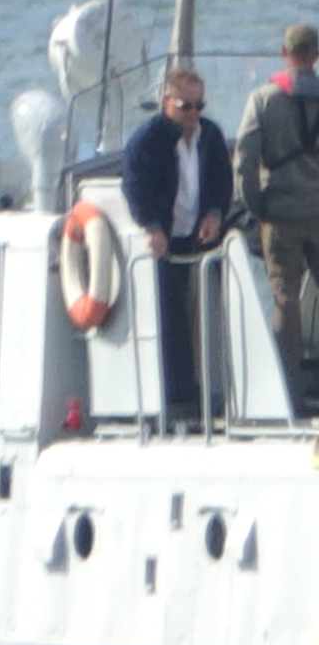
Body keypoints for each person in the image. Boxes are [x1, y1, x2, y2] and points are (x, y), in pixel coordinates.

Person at [122, 66, 233, 420]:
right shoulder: (148, 139)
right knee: (168, 313)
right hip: (165, 237)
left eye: (200, 106)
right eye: (186, 106)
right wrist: (151, 226)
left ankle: (204, 383)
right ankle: (175, 388)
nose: (194, 114)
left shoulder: (210, 135)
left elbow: (220, 181)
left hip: (196, 236)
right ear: (167, 102)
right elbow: (135, 186)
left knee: (199, 309)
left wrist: (214, 213)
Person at [233, 23, 319, 403]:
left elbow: (245, 162)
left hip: (280, 213)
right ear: (315, 55)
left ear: (284, 53)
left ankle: (290, 393)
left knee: (284, 298)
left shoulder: (263, 99)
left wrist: (256, 206)